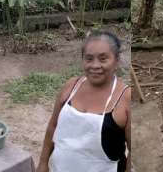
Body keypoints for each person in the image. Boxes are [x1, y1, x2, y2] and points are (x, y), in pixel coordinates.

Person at [37, 31, 131, 172]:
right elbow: (53, 126)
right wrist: (43, 163)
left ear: (116, 60)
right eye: (89, 59)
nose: (95, 65)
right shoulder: (71, 86)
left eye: (103, 59)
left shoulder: (125, 98)